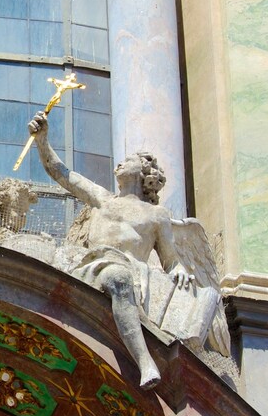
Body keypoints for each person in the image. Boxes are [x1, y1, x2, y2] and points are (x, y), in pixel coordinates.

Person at [28, 111, 192, 388]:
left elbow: (170, 260)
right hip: (91, 266)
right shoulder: (103, 199)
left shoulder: (157, 215)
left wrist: (180, 271)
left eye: (127, 160)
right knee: (114, 274)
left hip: (127, 273)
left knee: (118, 276)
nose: (119, 162)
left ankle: (144, 362)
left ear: (142, 172)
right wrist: (42, 141)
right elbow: (61, 173)